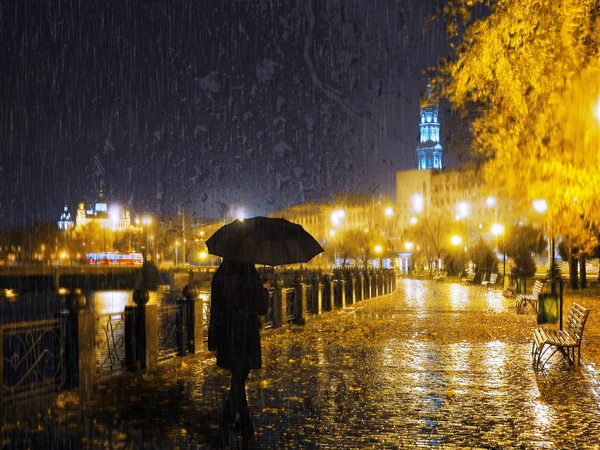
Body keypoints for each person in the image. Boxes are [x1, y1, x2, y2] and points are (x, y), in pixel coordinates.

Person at [208, 259, 269, 447]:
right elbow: (262, 309)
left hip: (228, 335)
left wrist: (213, 339)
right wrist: (264, 289)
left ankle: (245, 425)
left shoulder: (221, 275)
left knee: (238, 380)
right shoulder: (250, 274)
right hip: (246, 334)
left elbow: (215, 310)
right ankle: (226, 425)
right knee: (239, 381)